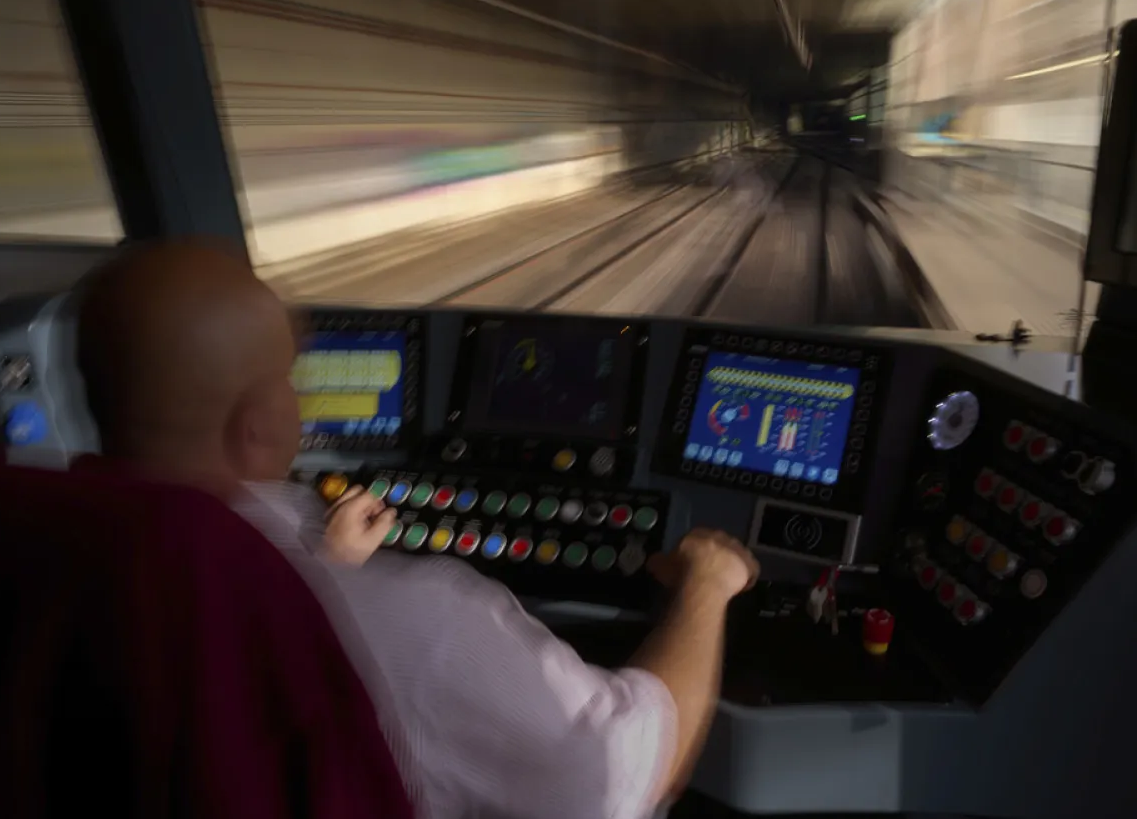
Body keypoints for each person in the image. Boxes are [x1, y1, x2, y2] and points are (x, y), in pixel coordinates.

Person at [76, 237, 760, 819]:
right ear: (256, 423)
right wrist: (707, 585)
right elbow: (630, 775)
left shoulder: (49, 558)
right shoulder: (425, 618)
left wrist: (327, 569)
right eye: (287, 377)